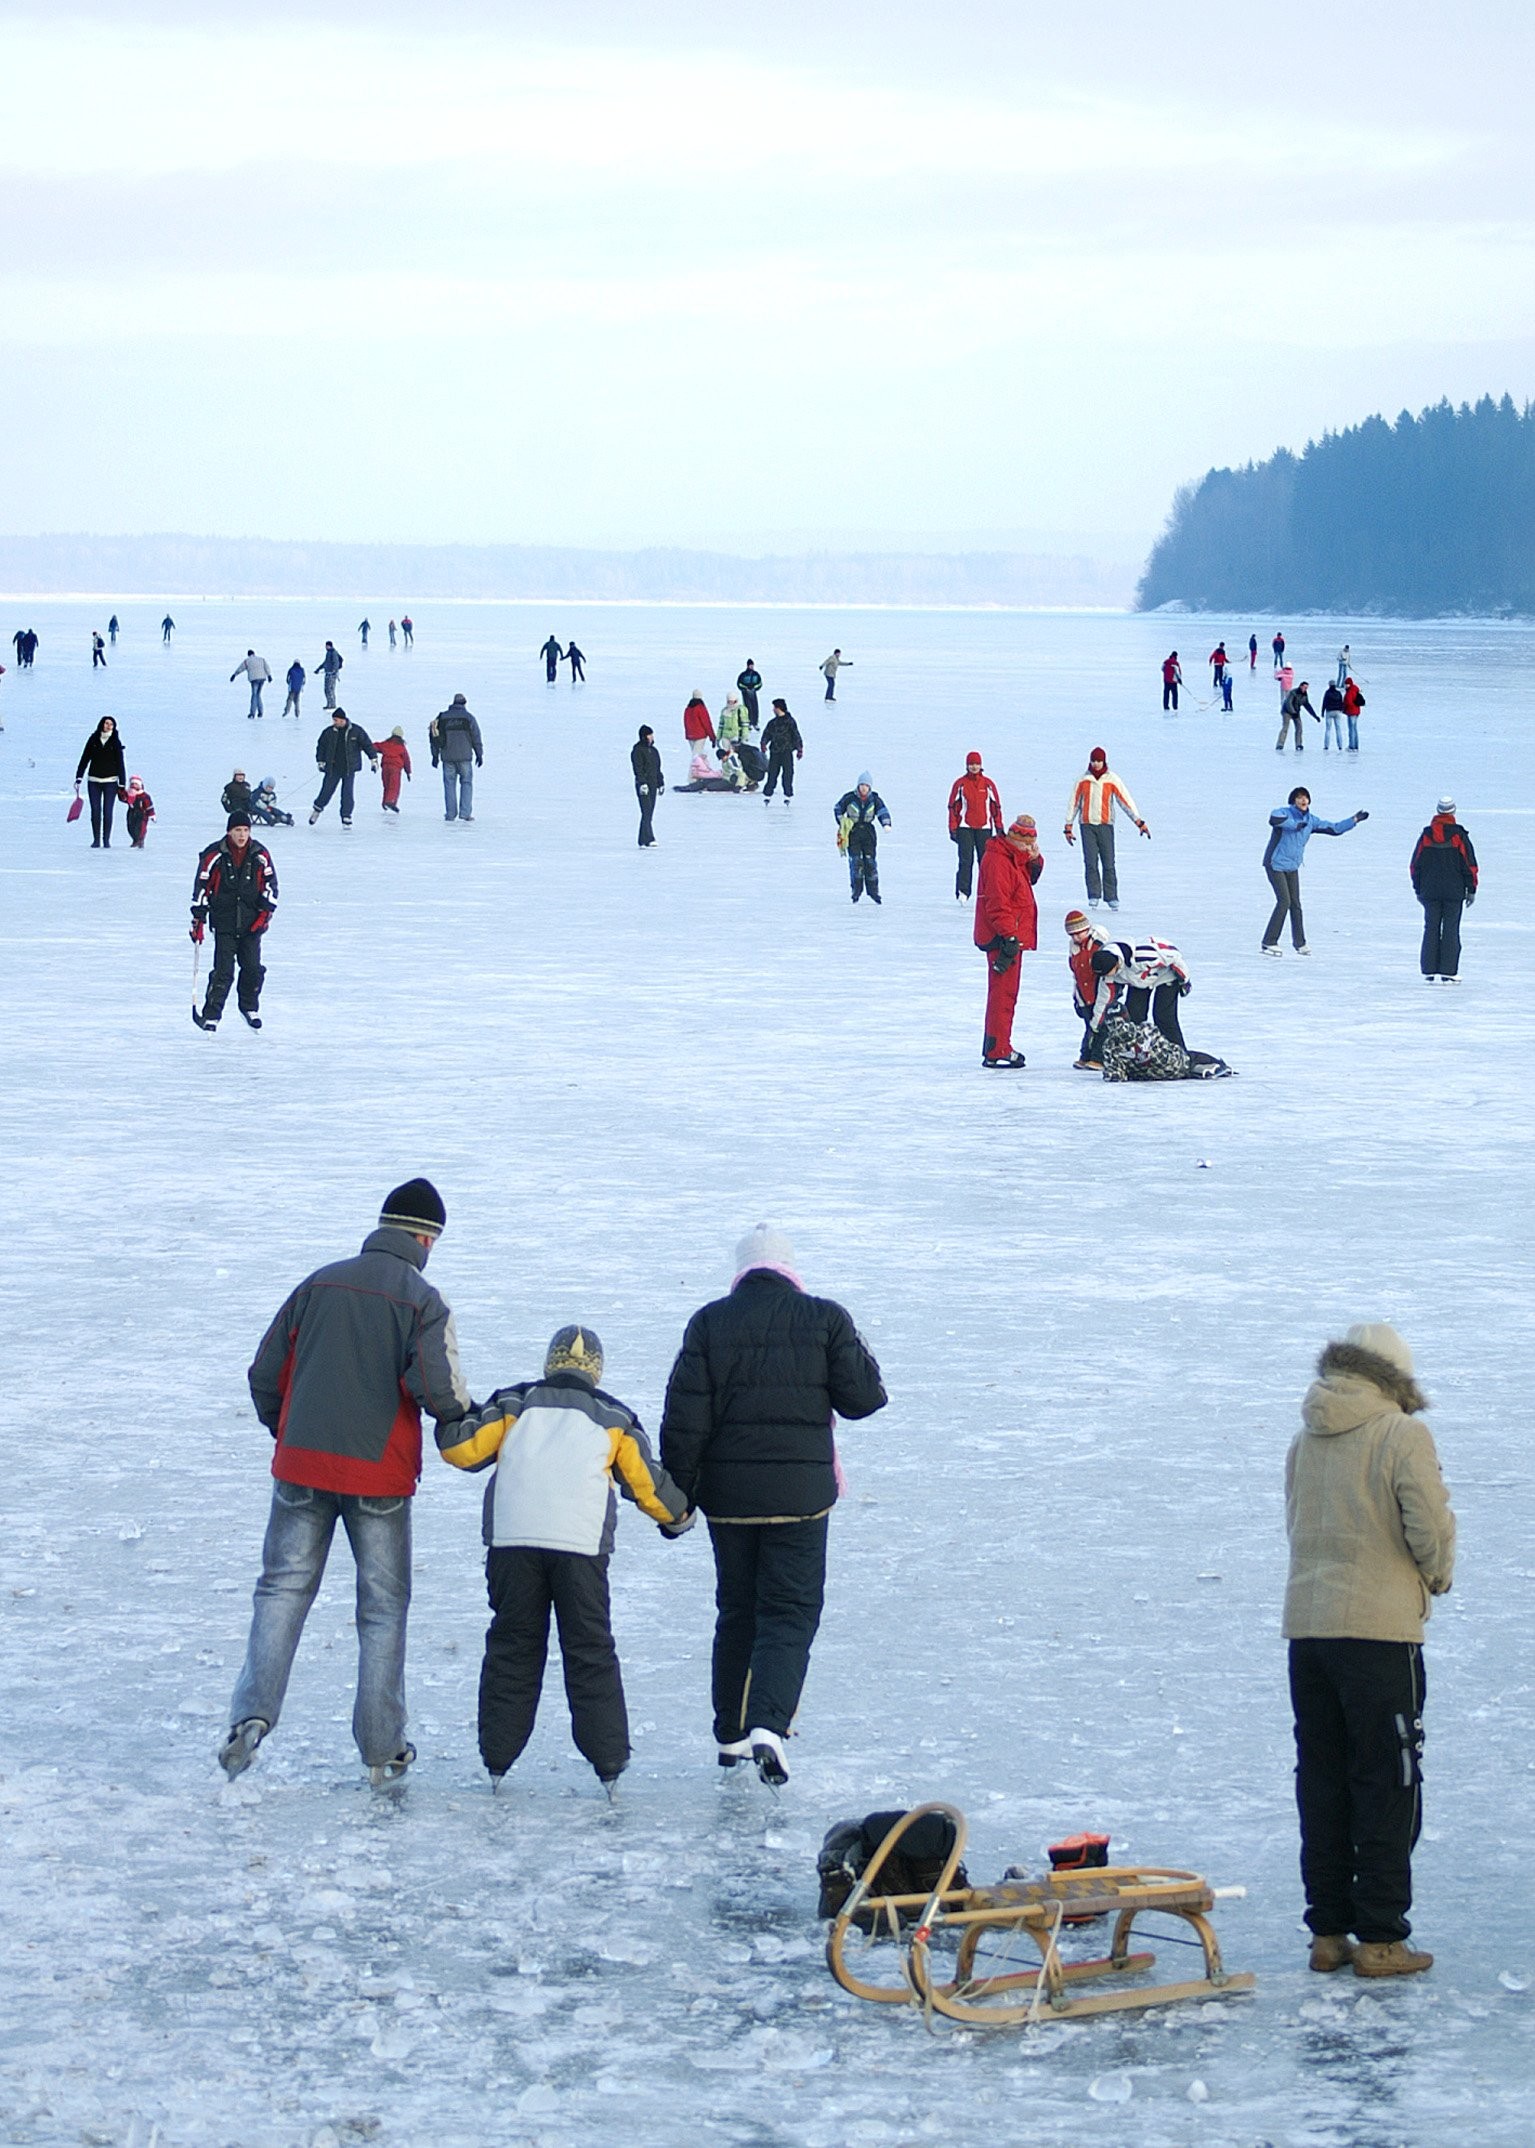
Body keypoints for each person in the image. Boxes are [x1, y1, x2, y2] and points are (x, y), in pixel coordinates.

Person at [219, 1180, 472, 1785]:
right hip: (378, 1479)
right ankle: (382, 1748)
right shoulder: (422, 1299)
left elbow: (263, 1373)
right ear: (424, 1238)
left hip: (300, 1466)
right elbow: (441, 1393)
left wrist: (289, 1432)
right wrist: (468, 1424)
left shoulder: (319, 1282)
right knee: (382, 1609)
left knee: (281, 1591)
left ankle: (249, 1720)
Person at [660, 1224, 887, 1784]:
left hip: (729, 1501)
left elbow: (684, 1421)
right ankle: (768, 1725)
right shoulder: (824, 1318)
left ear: (741, 1271)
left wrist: (678, 1500)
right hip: (801, 1500)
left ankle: (732, 1735)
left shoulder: (709, 1322)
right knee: (788, 1611)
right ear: (790, 1269)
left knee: (737, 1611)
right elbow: (865, 1398)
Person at [437, 1326, 692, 1794]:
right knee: (589, 1649)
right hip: (580, 1548)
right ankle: (609, 1763)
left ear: (549, 1363)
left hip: (513, 1543)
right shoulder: (613, 1416)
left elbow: (461, 1449)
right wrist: (679, 1516)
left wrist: (448, 1413)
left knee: (513, 1646)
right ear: (596, 1371)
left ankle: (497, 1759)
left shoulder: (514, 1403)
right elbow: (646, 1485)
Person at [1284, 1323, 1454, 1979]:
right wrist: (1435, 1576)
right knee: (1388, 1781)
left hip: (1309, 1632)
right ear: (1396, 1379)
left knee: (1321, 1781)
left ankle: (1328, 1935)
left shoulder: (1305, 1438)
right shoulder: (1400, 1434)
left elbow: (1295, 1519)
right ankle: (1381, 1939)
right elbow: (1428, 1524)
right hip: (1379, 1637)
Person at [190, 811, 279, 1031]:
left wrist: (264, 914)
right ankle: (211, 1014)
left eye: (246, 830)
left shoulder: (260, 854)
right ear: (229, 831)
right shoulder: (214, 855)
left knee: (252, 968)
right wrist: (198, 920)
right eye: (238, 830)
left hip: (252, 924)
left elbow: (271, 886)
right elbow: (202, 887)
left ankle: (249, 1007)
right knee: (223, 971)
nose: (242, 835)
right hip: (224, 922)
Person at [1262, 788, 1367, 956]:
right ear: (1293, 801)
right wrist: (1295, 825)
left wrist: (1354, 820)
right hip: (1275, 864)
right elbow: (1274, 819)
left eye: (1305, 798)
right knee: (1284, 902)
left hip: (1292, 866)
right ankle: (1269, 942)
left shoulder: (1311, 820)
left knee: (1295, 904)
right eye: (1299, 798)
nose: (1303, 801)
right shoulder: (1284, 813)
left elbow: (1334, 828)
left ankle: (1300, 943)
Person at [973, 813, 1041, 1068]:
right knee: (1003, 995)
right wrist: (1008, 935)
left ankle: (998, 1045)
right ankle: (997, 1048)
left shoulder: (1011, 856)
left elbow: (1029, 876)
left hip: (1010, 936)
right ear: (1015, 839)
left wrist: (1035, 858)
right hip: (1002, 939)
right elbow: (997, 902)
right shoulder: (998, 861)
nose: (1030, 848)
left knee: (1007, 995)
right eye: (1027, 844)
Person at [1063, 748, 1149, 911]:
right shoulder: (1083, 780)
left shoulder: (1112, 779)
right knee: (1090, 862)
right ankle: (1093, 895)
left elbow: (1125, 801)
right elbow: (1073, 803)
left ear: (1104, 761)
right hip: (1087, 826)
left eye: (1099, 761)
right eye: (1093, 761)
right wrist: (1068, 825)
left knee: (1108, 862)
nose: (1096, 764)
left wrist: (1138, 821)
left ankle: (1111, 897)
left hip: (1105, 826)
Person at [1410, 798, 1478, 984]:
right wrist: (1471, 889)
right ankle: (1448, 971)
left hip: (1429, 891)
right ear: (1453, 812)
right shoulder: (1459, 836)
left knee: (1430, 928)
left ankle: (1429, 970)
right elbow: (1469, 864)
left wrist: (1418, 888)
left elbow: (1415, 865)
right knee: (1451, 929)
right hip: (1454, 891)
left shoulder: (1426, 835)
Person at [948, 751, 1003, 901]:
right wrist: (952, 827)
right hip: (965, 827)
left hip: (984, 828)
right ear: (967, 765)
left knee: (985, 862)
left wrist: (999, 826)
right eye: (971, 764)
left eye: (976, 764)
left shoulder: (988, 784)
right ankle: (963, 892)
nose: (974, 767)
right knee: (966, 860)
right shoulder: (960, 784)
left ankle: (986, 892)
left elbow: (995, 806)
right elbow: (953, 807)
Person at [310, 709, 378, 827]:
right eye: (333, 720)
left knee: (347, 793)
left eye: (336, 720)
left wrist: (373, 760)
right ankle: (317, 809)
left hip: (349, 768)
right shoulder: (328, 732)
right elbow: (321, 746)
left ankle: (346, 815)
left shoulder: (356, 731)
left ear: (343, 720)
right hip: (333, 768)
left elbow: (367, 745)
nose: (334, 722)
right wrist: (320, 761)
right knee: (326, 791)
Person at [833, 773, 891, 905]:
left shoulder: (875, 799)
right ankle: (856, 891)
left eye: (866, 786)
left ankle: (873, 892)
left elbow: (883, 811)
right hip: (853, 832)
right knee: (856, 862)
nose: (864, 788)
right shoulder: (849, 798)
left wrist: (886, 823)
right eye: (862, 785)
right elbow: (837, 808)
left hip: (868, 833)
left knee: (870, 862)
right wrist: (842, 822)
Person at [1065, 908, 1111, 1069]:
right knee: (1089, 1027)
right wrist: (1077, 999)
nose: (1076, 937)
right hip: (1085, 996)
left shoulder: (1098, 946)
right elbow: (1076, 976)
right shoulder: (1074, 950)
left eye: (1080, 933)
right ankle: (1085, 1055)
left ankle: (1099, 1058)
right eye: (1072, 935)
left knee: (1100, 1026)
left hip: (1101, 994)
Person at [429, 693, 483, 822]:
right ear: (464, 703)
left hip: (447, 757)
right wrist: (479, 754)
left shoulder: (442, 718)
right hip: (465, 756)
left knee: (449, 785)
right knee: (466, 783)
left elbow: (434, 737)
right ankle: (465, 814)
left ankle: (450, 814)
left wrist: (435, 755)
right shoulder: (469, 718)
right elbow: (476, 736)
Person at [74, 716, 127, 847]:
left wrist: (122, 783)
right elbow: (85, 758)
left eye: (111, 724)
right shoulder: (93, 740)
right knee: (95, 810)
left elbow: (120, 763)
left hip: (111, 782)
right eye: (106, 723)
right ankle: (96, 840)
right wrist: (79, 776)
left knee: (108, 811)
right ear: (102, 724)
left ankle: (106, 840)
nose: (108, 726)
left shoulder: (115, 742)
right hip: (94, 781)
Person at [761, 699, 803, 800]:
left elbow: (796, 735)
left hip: (786, 751)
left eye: (774, 707)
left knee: (788, 773)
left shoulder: (790, 721)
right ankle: (768, 792)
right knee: (772, 772)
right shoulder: (773, 723)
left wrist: (799, 748)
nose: (773, 710)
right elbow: (767, 734)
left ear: (778, 708)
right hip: (775, 751)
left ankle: (788, 792)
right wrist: (763, 743)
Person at [632, 724, 664, 846]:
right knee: (646, 811)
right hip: (643, 785)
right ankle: (649, 838)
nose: (651, 737)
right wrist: (642, 783)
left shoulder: (654, 751)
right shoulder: (637, 751)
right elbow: (638, 769)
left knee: (649, 812)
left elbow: (657, 768)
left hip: (653, 784)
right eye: (649, 735)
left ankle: (642, 839)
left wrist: (660, 782)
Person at [374, 726, 412, 813]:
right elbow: (406, 760)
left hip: (385, 767)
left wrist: (365, 746)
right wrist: (408, 772)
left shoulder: (386, 744)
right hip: (395, 768)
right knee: (394, 786)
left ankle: (385, 803)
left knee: (387, 786)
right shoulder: (401, 747)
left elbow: (375, 746)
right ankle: (390, 802)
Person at [1277, 679, 1317, 752]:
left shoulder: (1304, 695)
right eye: (1304, 687)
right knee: (1285, 727)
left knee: (1299, 728)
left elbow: (1307, 705)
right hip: (1287, 711)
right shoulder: (1293, 692)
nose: (1305, 689)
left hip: (1296, 712)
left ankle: (1298, 744)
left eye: (1307, 688)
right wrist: (1293, 712)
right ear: (1300, 686)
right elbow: (1289, 703)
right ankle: (1280, 744)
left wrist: (1315, 716)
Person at [230, 650, 270, 717]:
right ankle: (260, 712)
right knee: (258, 694)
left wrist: (234, 675)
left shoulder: (247, 661)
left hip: (254, 679)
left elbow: (241, 668)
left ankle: (252, 713)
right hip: (262, 679)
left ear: (248, 655)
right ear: (254, 653)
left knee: (254, 695)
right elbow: (267, 667)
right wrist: (269, 675)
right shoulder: (261, 659)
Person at [122, 774, 154, 849]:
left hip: (142, 814)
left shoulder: (144, 796)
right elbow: (124, 799)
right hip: (131, 813)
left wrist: (151, 814)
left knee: (140, 828)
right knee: (131, 827)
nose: (134, 786)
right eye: (132, 784)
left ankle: (140, 840)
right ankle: (135, 840)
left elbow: (149, 806)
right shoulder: (129, 794)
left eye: (136, 784)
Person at [682, 691, 716, 757]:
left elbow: (685, 723)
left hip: (690, 735)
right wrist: (712, 737)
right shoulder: (701, 708)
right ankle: (699, 765)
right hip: (700, 735)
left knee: (696, 754)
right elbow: (707, 723)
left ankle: (701, 765)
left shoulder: (687, 709)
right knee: (696, 755)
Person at [317, 640, 344, 710]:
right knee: (327, 689)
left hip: (331, 674)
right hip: (328, 673)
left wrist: (334, 670)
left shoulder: (333, 653)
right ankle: (329, 703)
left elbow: (335, 662)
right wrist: (319, 668)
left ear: (329, 646)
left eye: (326, 646)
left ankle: (332, 704)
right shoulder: (328, 653)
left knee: (330, 689)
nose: (325, 647)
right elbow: (326, 662)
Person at [737, 660, 763, 727]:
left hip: (753, 693)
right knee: (748, 707)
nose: (751, 667)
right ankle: (749, 722)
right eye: (750, 665)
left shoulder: (756, 674)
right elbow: (739, 684)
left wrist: (754, 688)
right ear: (747, 666)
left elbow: (760, 683)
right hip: (746, 693)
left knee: (755, 707)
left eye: (752, 665)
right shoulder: (743, 675)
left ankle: (755, 722)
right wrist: (745, 688)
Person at [1320, 681, 1346, 751]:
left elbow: (1324, 702)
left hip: (1329, 712)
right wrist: (1341, 710)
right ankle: (1340, 745)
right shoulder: (1338, 693)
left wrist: (1322, 712)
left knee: (1328, 729)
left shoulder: (1327, 693)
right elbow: (1342, 702)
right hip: (1337, 711)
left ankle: (1326, 746)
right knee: (1338, 729)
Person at [1342, 675, 1366, 751]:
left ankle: (1351, 746)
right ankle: (1355, 745)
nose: (1345, 685)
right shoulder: (1355, 689)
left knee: (1351, 730)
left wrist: (1344, 707)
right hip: (1356, 712)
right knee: (1355, 729)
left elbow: (1348, 702)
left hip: (1351, 712)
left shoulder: (1350, 691)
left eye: (1346, 684)